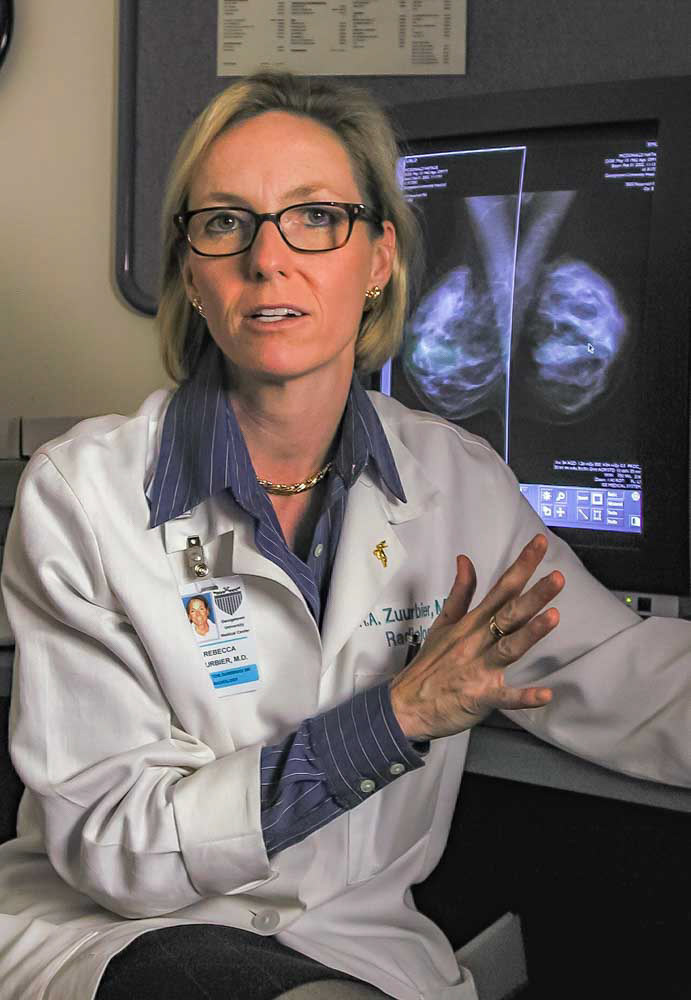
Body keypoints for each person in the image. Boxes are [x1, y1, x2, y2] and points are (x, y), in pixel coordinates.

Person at [0, 70, 689, 1000]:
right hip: (127, 940)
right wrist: (392, 719)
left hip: (354, 950)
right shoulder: (82, 496)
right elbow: (118, 847)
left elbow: (622, 674)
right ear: (191, 274)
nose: (267, 259)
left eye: (316, 217)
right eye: (226, 223)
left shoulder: (457, 483)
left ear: (377, 260)